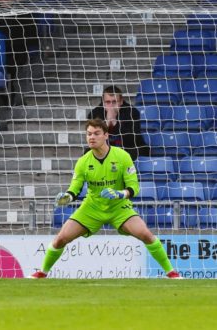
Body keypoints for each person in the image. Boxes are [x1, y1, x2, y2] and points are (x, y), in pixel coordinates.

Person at [31, 119, 181, 279]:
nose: (91, 137)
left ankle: (171, 272)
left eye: (96, 133)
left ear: (106, 135)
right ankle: (42, 272)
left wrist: (120, 194)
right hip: (92, 208)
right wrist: (67, 196)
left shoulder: (122, 156)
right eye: (88, 134)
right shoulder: (82, 162)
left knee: (145, 234)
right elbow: (75, 188)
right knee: (60, 239)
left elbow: (134, 187)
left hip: (119, 207)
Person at [88, 85, 149, 161]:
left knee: (137, 152)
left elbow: (133, 140)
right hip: (104, 148)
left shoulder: (132, 112)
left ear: (121, 101)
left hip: (127, 147)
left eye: (114, 102)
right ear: (103, 103)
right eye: (108, 102)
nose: (111, 106)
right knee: (88, 152)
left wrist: (114, 122)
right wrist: (105, 125)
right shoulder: (95, 114)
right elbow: (94, 139)